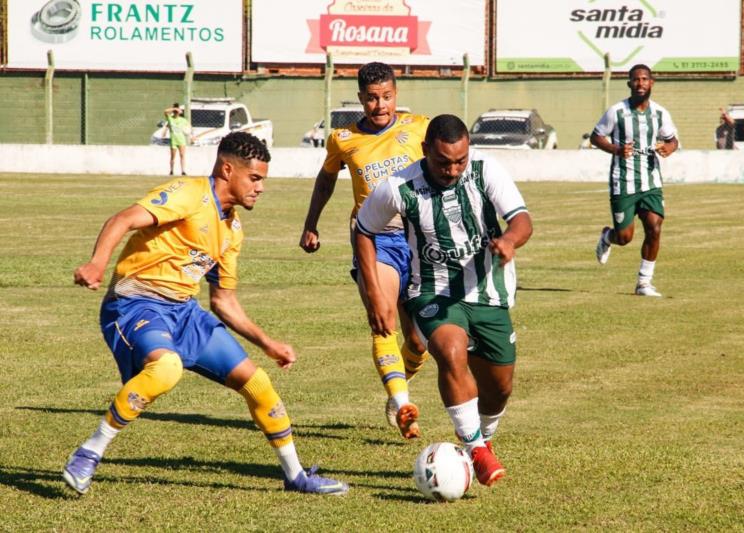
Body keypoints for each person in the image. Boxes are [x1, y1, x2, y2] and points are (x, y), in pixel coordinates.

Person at [63, 132, 348, 496]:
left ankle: (295, 477)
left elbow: (223, 301)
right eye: (255, 178)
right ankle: (89, 452)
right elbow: (122, 219)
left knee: (258, 385)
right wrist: (97, 264)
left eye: (263, 180)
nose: (260, 188)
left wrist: (268, 344)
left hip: (185, 313)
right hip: (137, 302)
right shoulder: (189, 194)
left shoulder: (232, 229)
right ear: (227, 169)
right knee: (167, 369)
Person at [354, 114, 532, 487]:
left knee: (499, 388)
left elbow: (521, 219)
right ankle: (477, 450)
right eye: (443, 161)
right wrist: (374, 292)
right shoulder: (398, 187)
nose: (452, 170)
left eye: (459, 161)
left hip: (489, 292)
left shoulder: (486, 171)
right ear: (425, 152)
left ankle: (481, 438)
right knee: (450, 351)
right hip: (432, 291)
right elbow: (364, 229)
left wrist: (510, 241)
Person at [298, 62, 431, 439]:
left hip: (418, 239)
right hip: (375, 238)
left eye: (386, 97)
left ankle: (397, 385)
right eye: (372, 98)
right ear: (360, 98)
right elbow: (325, 180)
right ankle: (403, 403)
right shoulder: (343, 139)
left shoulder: (418, 128)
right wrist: (311, 224)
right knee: (382, 316)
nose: (380, 105)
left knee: (419, 342)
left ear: (396, 95)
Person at [591, 64, 679, 297]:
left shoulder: (660, 113)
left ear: (652, 83)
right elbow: (596, 136)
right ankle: (607, 236)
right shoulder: (616, 112)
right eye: (636, 80)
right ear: (629, 84)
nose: (640, 83)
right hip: (624, 181)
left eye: (644, 79)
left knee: (655, 228)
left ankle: (643, 283)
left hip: (651, 182)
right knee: (624, 237)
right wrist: (616, 149)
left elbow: (672, 140)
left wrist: (669, 148)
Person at [163, 103, 190, 176]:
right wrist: (174, 109)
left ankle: (183, 171)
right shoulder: (170, 118)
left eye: (177, 111)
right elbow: (165, 111)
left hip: (181, 140)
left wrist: (190, 134)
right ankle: (171, 171)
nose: (176, 112)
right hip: (173, 140)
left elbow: (188, 128)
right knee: (173, 156)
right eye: (175, 111)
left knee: (182, 155)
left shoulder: (183, 120)